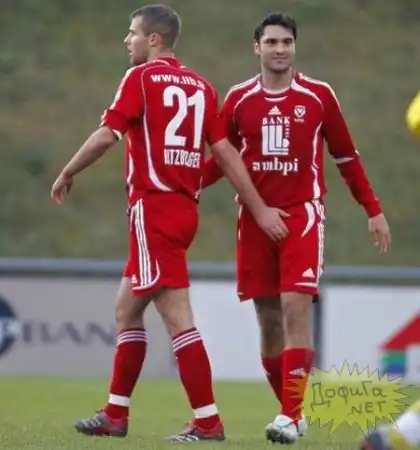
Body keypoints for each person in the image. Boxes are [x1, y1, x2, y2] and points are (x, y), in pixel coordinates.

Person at [50, 4, 285, 443]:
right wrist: (257, 206)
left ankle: (208, 421)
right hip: (183, 210)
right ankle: (115, 413)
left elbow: (107, 134)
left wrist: (67, 170)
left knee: (177, 316)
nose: (128, 41)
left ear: (154, 40)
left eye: (133, 33)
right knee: (127, 309)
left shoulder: (139, 78)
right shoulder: (202, 87)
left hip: (153, 209)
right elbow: (224, 153)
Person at [201, 12, 391, 444]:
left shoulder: (318, 96)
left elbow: (346, 156)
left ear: (294, 47)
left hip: (303, 217)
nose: (279, 49)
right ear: (257, 47)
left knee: (294, 309)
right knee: (269, 323)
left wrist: (373, 209)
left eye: (286, 42)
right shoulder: (239, 99)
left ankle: (287, 416)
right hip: (254, 220)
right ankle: (294, 412)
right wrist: (183, 184)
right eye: (271, 42)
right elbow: (223, 159)